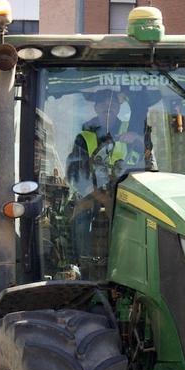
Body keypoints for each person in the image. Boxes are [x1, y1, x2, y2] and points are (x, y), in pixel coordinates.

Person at [65, 88, 145, 278]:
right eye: (103, 103)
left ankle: (132, 267)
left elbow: (147, 159)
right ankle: (83, 267)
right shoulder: (84, 137)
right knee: (81, 220)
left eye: (113, 103)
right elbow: (75, 173)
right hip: (92, 193)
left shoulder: (132, 130)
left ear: (119, 107)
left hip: (127, 193)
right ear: (96, 107)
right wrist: (101, 197)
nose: (108, 107)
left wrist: (138, 139)